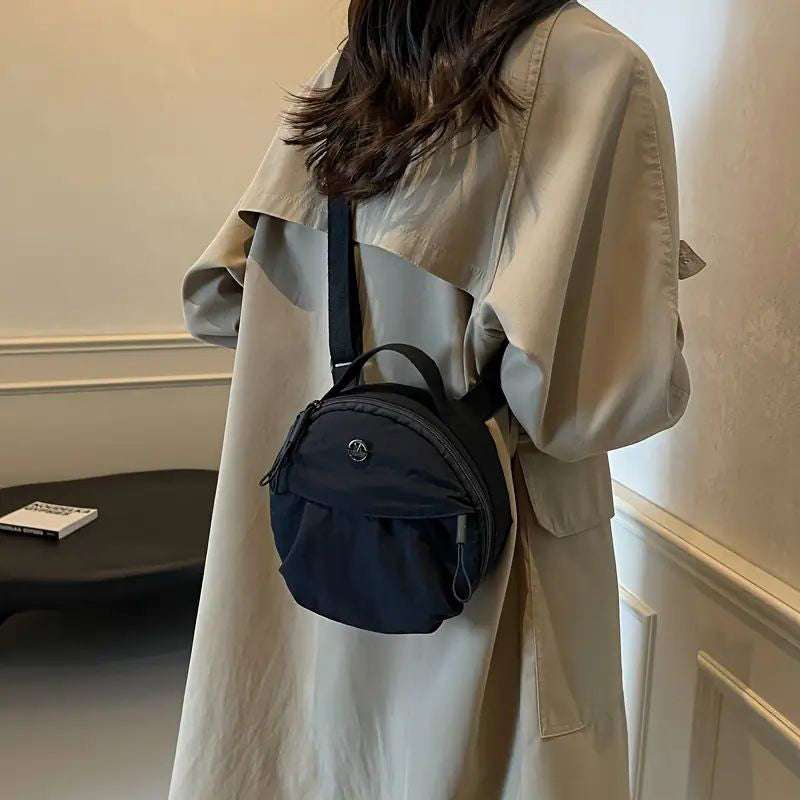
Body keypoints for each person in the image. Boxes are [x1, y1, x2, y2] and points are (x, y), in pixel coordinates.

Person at [171, 2, 704, 798]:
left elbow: (221, 306)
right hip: (482, 573)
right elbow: (594, 403)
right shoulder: (594, 69)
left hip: (316, 545)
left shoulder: (357, 67)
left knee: (318, 761)